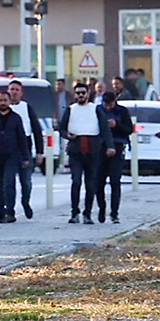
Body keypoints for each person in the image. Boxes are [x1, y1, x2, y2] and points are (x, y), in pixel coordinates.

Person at [0, 82, 38, 222]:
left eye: (5, 100)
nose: (3, 103)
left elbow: (22, 138)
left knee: (9, 183)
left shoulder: (16, 118)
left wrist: (26, 157)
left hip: (12, 156)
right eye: (0, 100)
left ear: (9, 102)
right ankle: (1, 213)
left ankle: (10, 211)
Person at [62, 82, 104, 223]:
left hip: (92, 153)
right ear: (75, 95)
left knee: (90, 184)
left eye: (83, 93)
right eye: (78, 93)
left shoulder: (96, 109)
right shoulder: (71, 110)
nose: (80, 95)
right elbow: (62, 128)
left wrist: (109, 146)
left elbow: (104, 129)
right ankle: (75, 212)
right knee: (76, 181)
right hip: (76, 152)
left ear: (88, 94)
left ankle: (87, 213)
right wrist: (68, 135)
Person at [97, 82, 136, 222]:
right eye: (106, 105)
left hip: (118, 147)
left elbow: (129, 129)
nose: (108, 108)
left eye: (110, 105)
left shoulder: (122, 111)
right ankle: (101, 209)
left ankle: (114, 213)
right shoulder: (98, 111)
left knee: (115, 181)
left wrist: (117, 125)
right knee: (98, 182)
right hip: (101, 149)